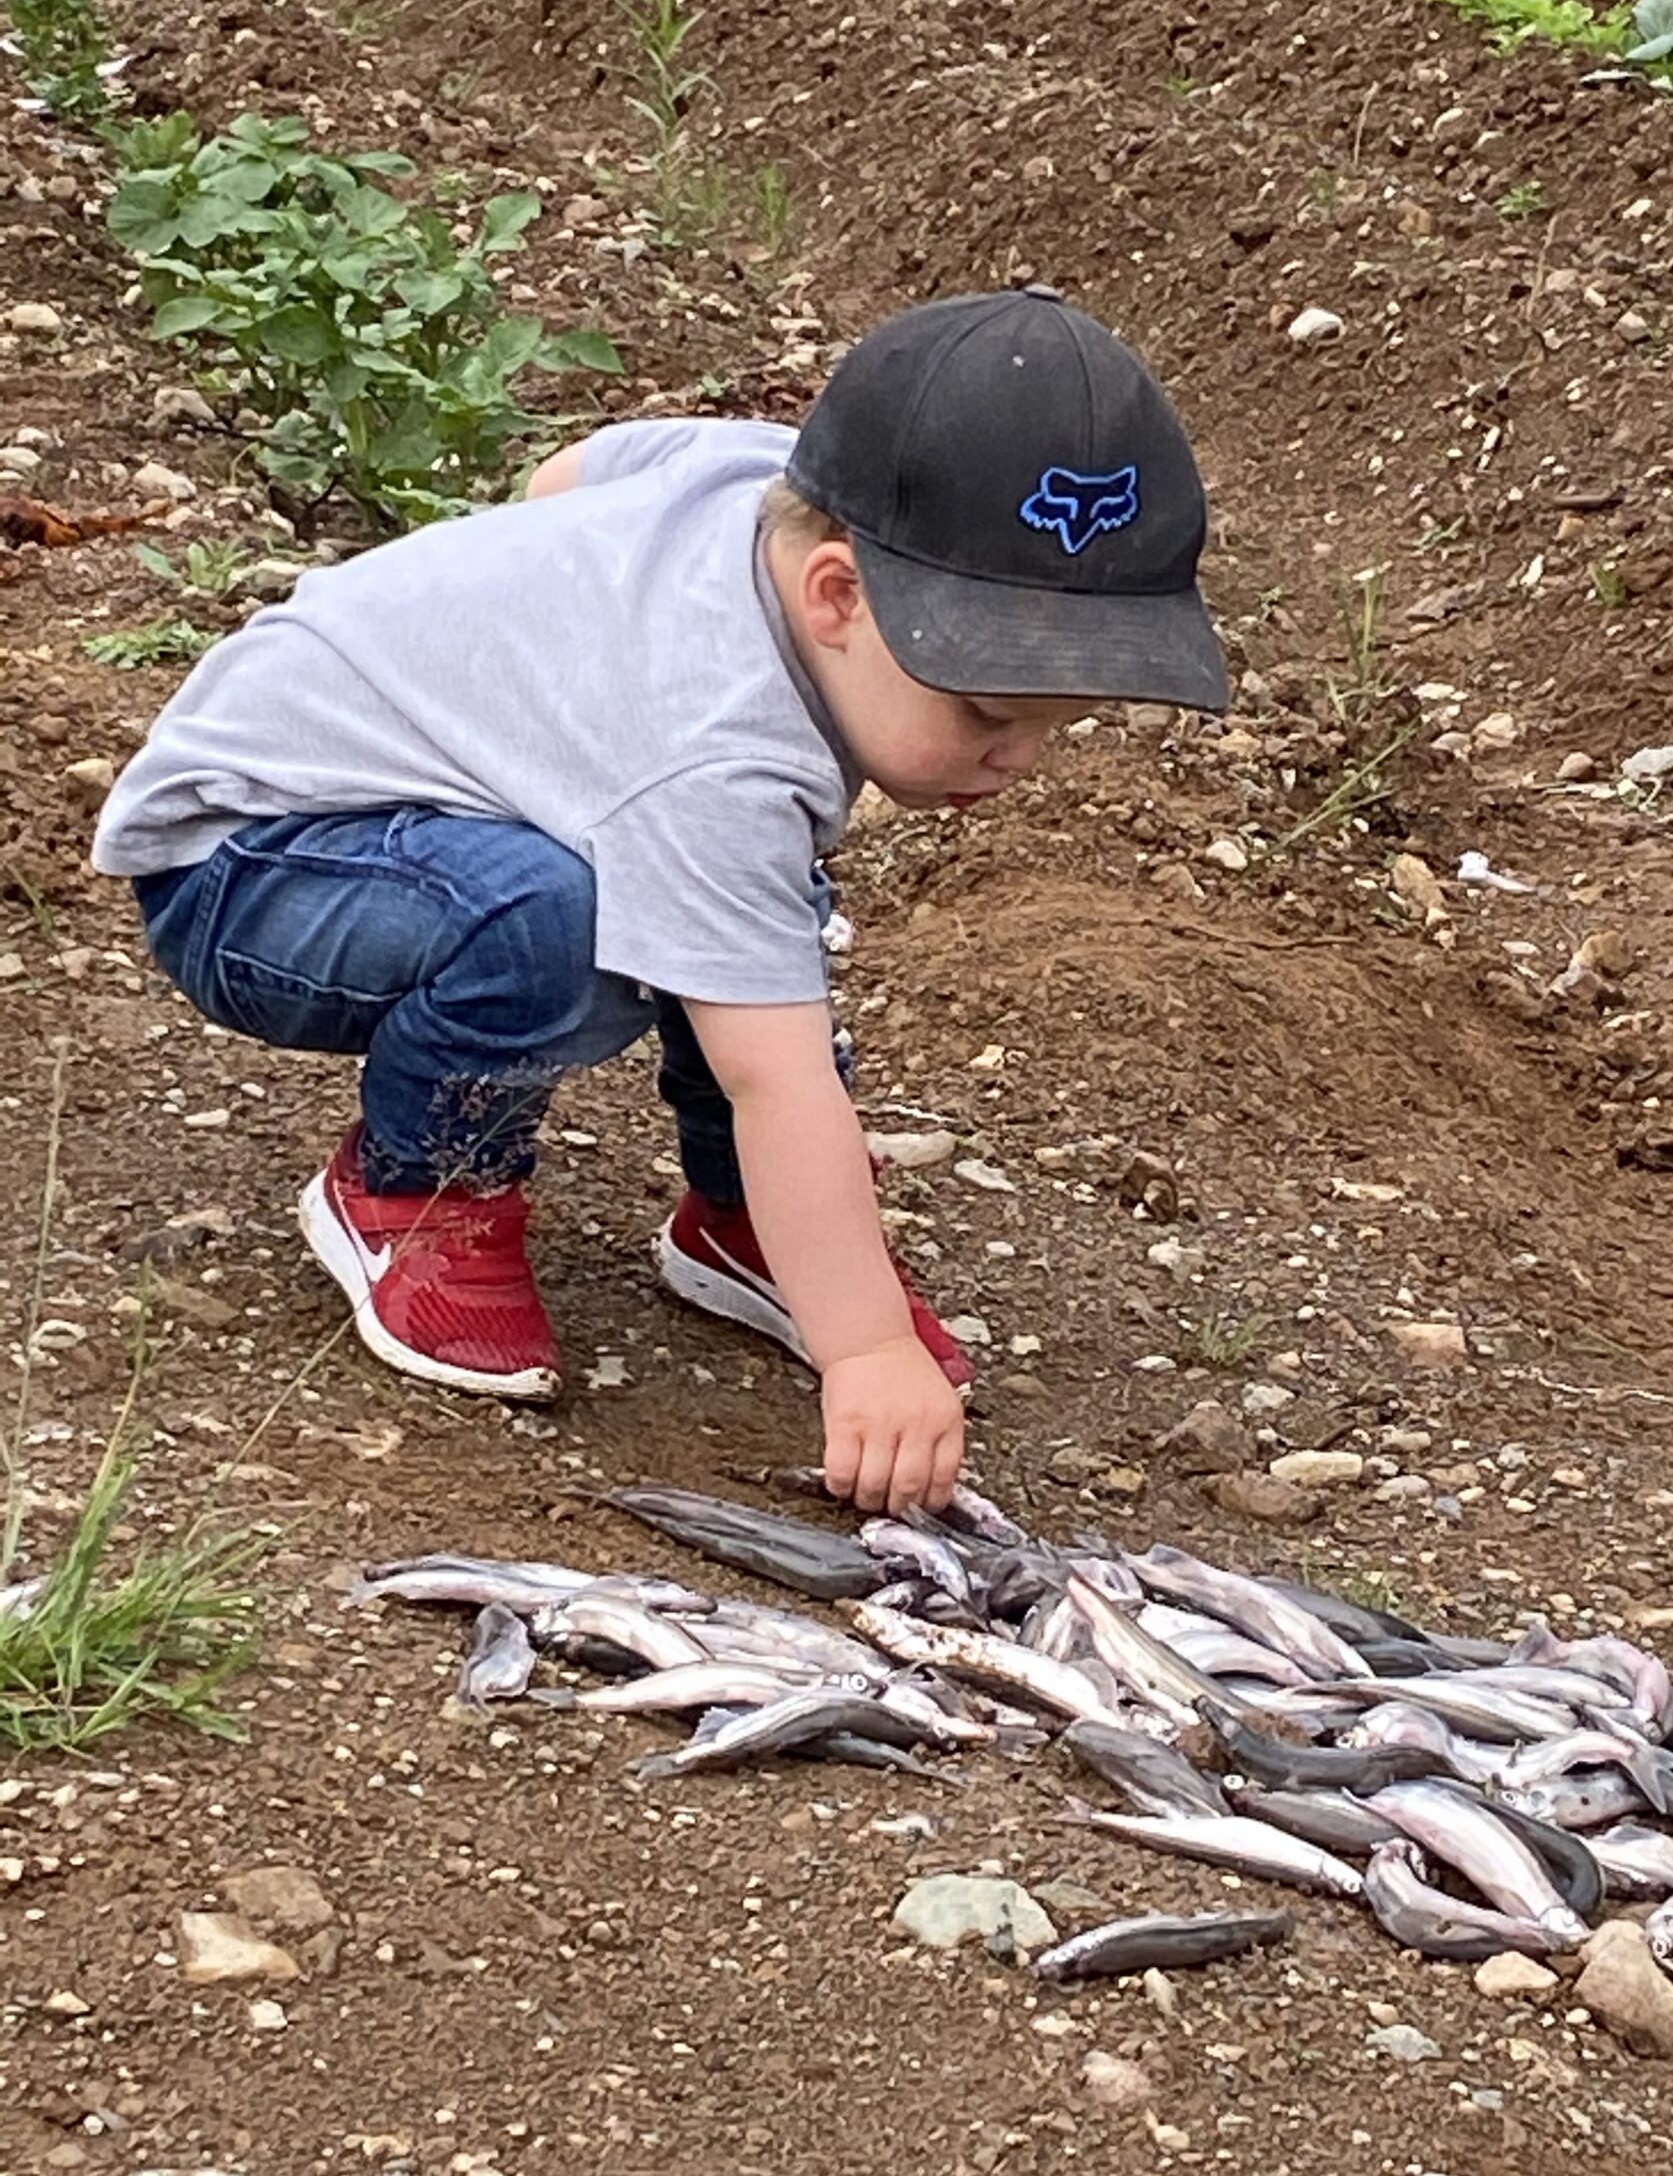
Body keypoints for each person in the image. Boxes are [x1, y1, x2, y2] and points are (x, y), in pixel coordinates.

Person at [91, 287, 1228, 1513]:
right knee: (576, 920)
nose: (1021, 759)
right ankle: (415, 1189)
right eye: (990, 712)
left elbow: (568, 476)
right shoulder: (716, 755)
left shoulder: (758, 485)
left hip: (380, 816)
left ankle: (743, 1225)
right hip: (246, 866)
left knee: (726, 907)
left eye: (1064, 723)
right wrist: (867, 1350)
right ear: (838, 596)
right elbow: (771, 1075)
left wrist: (538, 683)